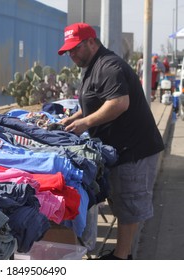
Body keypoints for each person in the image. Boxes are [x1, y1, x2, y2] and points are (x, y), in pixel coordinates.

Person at [57, 22, 164, 260]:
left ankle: (122, 258)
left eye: (75, 49)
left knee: (129, 206)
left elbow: (118, 103)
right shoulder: (93, 67)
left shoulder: (108, 65)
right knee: (121, 201)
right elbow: (94, 104)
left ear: (92, 42)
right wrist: (72, 119)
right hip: (121, 149)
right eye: (68, 51)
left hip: (134, 150)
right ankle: (120, 254)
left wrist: (85, 124)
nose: (72, 55)